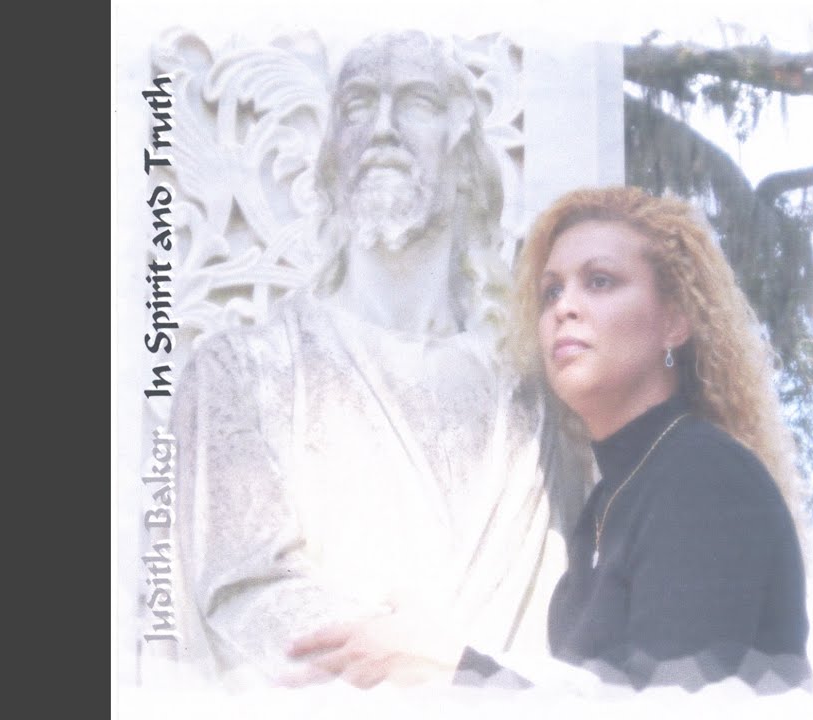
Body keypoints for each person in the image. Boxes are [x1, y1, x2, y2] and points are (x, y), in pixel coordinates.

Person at [168, 31, 588, 687]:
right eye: (359, 104)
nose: (383, 127)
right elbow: (244, 591)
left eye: (417, 101)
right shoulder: (245, 370)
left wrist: (471, 673)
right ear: (331, 159)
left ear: (465, 158)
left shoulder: (535, 399)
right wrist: (428, 669)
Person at [289, 186, 812, 692]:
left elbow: (671, 705)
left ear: (675, 321)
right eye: (551, 291)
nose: (565, 307)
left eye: (600, 281)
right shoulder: (602, 508)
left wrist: (452, 669)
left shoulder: (707, 479)